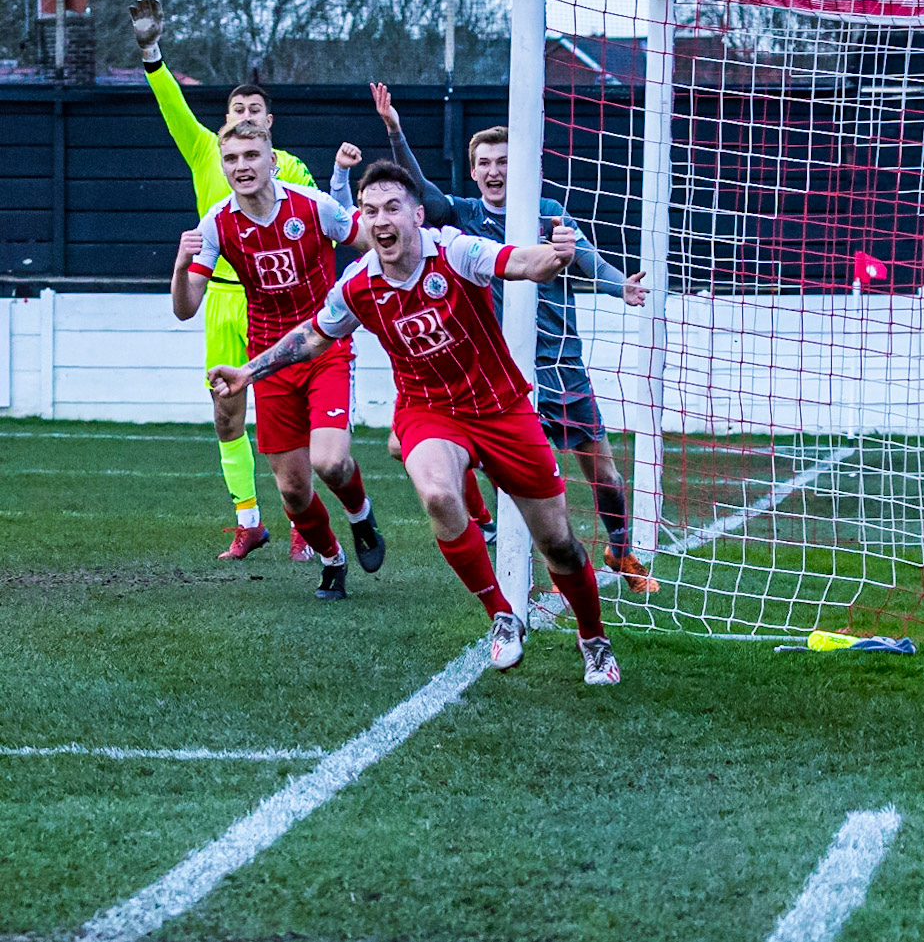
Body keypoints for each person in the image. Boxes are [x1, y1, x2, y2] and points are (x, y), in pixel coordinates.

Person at [209, 161, 622, 684]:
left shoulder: (453, 250)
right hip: (428, 410)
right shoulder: (357, 284)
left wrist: (555, 255)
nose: (381, 219)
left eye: (392, 208)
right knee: (440, 497)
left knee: (557, 540)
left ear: (416, 215)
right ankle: (500, 615)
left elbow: (520, 263)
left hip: (499, 407)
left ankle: (594, 641)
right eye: (370, 210)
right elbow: (312, 336)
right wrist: (247, 372)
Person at [366, 83, 658, 594]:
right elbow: (418, 190)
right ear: (474, 171)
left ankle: (620, 549)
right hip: (503, 375)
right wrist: (395, 131)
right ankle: (532, 566)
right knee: (529, 481)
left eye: (503, 161)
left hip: (562, 364)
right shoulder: (463, 215)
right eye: (485, 162)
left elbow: (585, 259)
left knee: (605, 474)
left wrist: (620, 287)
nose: (495, 170)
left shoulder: (546, 210)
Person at [131, 0, 348, 564]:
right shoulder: (206, 151)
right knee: (226, 413)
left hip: (278, 307)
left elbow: (323, 226)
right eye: (237, 109)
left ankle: (305, 524)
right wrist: (152, 52)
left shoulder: (289, 169)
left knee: (297, 420)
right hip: (219, 302)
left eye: (255, 109)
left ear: (269, 126)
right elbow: (172, 104)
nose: (246, 116)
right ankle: (248, 522)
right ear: (225, 123)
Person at [172, 121, 385, 600]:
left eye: (251, 156)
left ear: (272, 160)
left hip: (325, 349)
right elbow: (186, 308)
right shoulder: (217, 223)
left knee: (330, 462)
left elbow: (371, 243)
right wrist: (181, 264)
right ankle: (332, 560)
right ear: (223, 168)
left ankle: (360, 515)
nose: (241, 166)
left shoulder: (314, 207)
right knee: (292, 490)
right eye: (231, 159)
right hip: (267, 360)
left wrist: (366, 293)